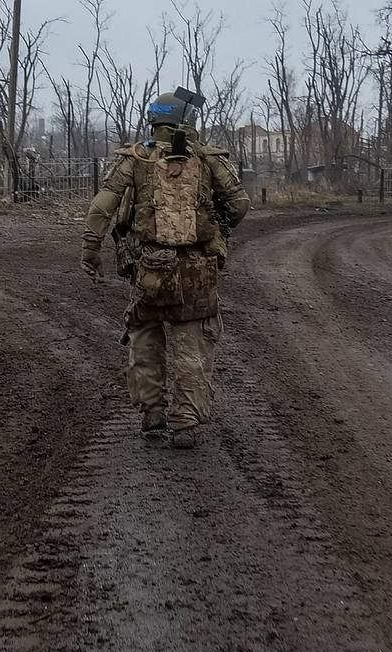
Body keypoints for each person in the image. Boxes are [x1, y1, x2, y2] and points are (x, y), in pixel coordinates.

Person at [80, 89, 251, 449]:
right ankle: (185, 421)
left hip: (149, 268)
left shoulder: (136, 158)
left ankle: (152, 414)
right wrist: (216, 225)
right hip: (196, 268)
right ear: (186, 121)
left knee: (145, 337)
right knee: (192, 346)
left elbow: (101, 207)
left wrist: (90, 251)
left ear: (154, 120)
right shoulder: (207, 158)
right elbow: (239, 204)